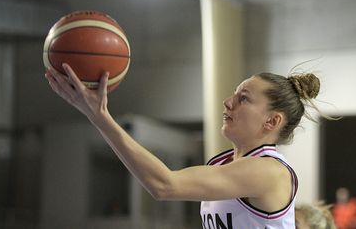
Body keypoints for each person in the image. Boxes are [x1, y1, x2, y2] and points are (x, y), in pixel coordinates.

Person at [45, 63, 324, 228]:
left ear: (271, 121)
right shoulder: (223, 164)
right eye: (233, 95)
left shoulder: (269, 171)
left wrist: (100, 117)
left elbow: (164, 185)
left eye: (244, 98)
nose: (228, 102)